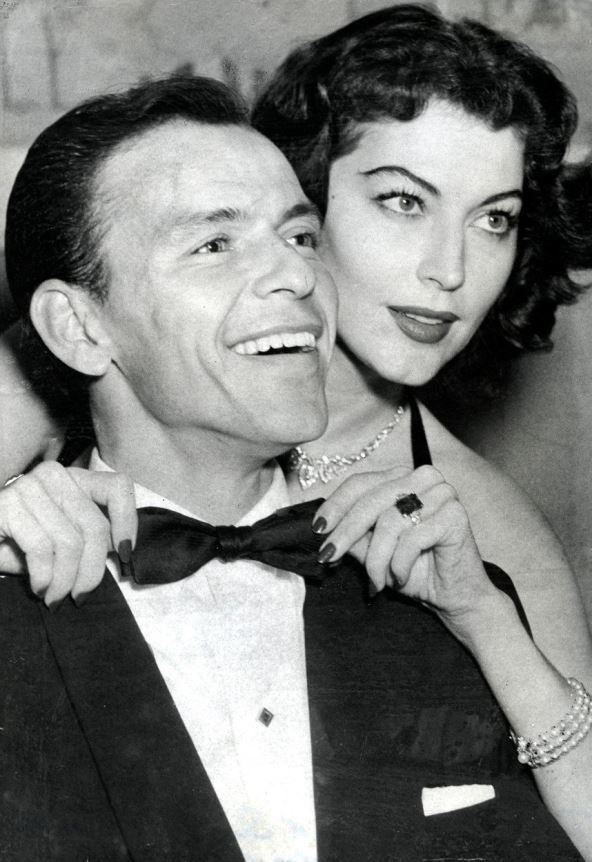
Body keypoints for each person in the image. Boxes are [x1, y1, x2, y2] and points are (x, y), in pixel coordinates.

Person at [1, 5, 592, 859]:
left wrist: (488, 623)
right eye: (403, 201)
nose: (450, 271)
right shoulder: (61, 368)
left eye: (494, 217)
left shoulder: (478, 538)